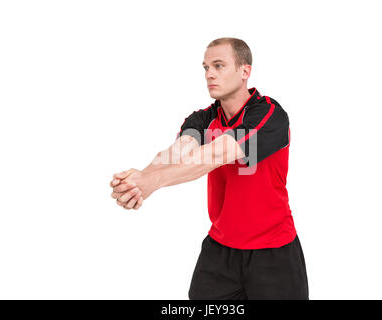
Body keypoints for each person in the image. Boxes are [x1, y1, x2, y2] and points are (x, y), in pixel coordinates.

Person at [110, 37, 309, 300]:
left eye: (218, 65)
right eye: (205, 67)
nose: (209, 74)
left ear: (245, 71)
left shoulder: (270, 115)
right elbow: (176, 153)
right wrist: (139, 181)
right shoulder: (203, 118)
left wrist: (152, 183)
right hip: (220, 250)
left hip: (273, 251)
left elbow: (215, 154)